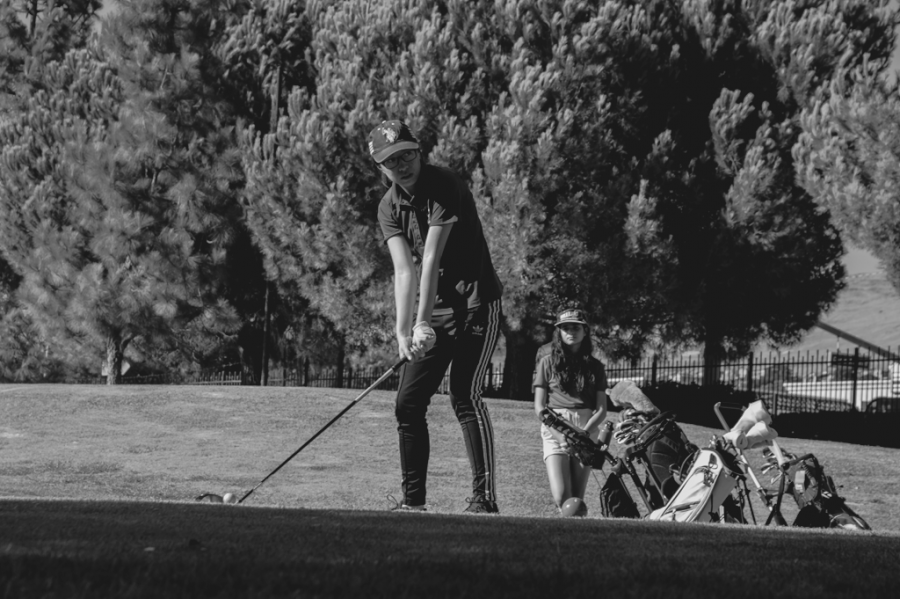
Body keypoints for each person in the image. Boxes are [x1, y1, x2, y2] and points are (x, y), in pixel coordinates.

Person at [368, 119, 504, 514]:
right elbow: (404, 270)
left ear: (419, 152)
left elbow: (431, 256)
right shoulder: (387, 207)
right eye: (391, 161)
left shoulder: (445, 184)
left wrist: (421, 321)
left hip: (477, 303)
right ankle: (414, 505)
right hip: (437, 311)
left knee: (465, 395)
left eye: (407, 155)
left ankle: (484, 499)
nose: (402, 165)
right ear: (381, 168)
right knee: (407, 405)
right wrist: (402, 333)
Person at [533, 307, 608, 515]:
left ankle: (574, 534)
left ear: (585, 331)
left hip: (586, 427)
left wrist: (584, 434)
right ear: (559, 332)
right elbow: (539, 407)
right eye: (565, 328)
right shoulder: (546, 363)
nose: (570, 332)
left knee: (577, 496)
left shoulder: (596, 367)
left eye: (576, 327)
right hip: (555, 426)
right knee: (562, 496)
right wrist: (560, 435)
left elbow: (602, 409)